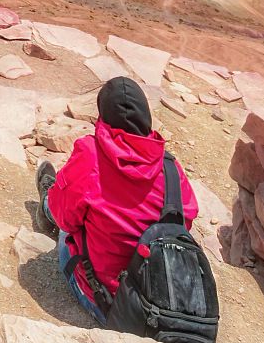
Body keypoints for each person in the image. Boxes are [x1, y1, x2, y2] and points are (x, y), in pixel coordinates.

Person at [36, 76, 199, 324]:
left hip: (108, 300)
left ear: (102, 116)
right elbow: (185, 222)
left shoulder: (92, 156)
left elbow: (66, 220)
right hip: (161, 298)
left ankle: (46, 201)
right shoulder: (170, 168)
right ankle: (52, 197)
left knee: (62, 217)